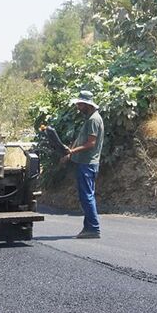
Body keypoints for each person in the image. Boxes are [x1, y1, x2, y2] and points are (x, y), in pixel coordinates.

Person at [60, 90, 105, 239]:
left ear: (87, 104)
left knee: (87, 196)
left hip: (87, 163)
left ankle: (93, 228)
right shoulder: (90, 118)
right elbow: (83, 140)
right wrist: (69, 153)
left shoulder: (93, 120)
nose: (78, 107)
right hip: (86, 163)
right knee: (87, 195)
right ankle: (89, 228)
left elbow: (91, 143)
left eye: (80, 104)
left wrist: (71, 151)